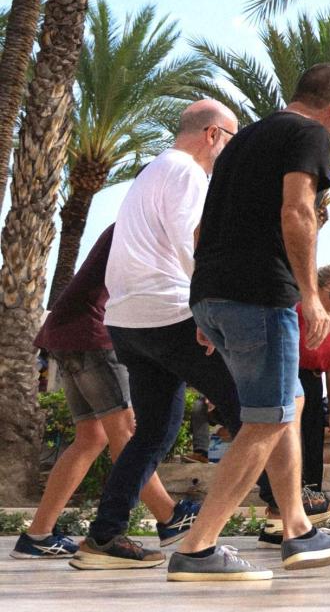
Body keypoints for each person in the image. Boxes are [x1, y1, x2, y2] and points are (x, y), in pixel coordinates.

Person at [70, 99, 313, 571]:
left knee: (155, 432)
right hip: (170, 312)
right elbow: (192, 240)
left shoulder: (151, 172)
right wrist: (204, 308)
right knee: (260, 410)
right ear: (213, 135)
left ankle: (104, 536)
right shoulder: (187, 173)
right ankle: (285, 510)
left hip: (129, 320)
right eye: (232, 139)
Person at [171, 65, 330, 581]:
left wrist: (207, 301)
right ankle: (197, 547)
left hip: (216, 294)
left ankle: (297, 527)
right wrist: (310, 295)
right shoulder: (308, 133)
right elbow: (297, 211)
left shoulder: (245, 137)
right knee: (269, 417)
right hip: (260, 296)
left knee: (288, 403)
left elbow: (201, 227)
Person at [12, 226, 196, 559]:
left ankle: (37, 534)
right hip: (91, 334)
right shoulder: (140, 228)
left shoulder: (127, 225)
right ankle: (170, 517)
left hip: (65, 333)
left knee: (91, 437)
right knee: (125, 434)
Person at [256, 262, 330, 545]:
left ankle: (309, 519)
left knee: (312, 450)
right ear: (317, 289)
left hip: (313, 382)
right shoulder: (297, 312)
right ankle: (280, 517)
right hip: (290, 375)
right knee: (288, 447)